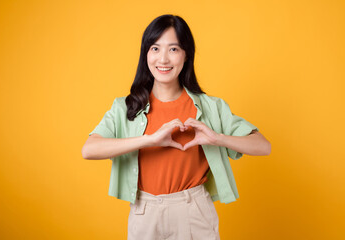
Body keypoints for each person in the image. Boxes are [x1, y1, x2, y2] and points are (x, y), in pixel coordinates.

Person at [82, 14, 271, 240]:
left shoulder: (211, 107)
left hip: (194, 210)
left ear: (185, 55)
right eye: (155, 48)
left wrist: (217, 138)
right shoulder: (125, 107)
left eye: (173, 49)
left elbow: (263, 146)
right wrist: (149, 140)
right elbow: (89, 150)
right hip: (145, 211)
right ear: (146, 54)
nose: (163, 59)